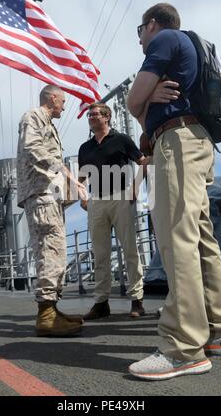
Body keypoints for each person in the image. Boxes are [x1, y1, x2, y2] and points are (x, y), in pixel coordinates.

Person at [127, 3, 221, 380]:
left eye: (140, 31)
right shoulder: (192, 45)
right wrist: (150, 101)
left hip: (176, 143)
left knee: (178, 236)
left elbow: (132, 101)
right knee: (201, 237)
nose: (141, 39)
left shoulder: (164, 40)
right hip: (199, 142)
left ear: (153, 24)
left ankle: (183, 348)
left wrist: (144, 98)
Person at [16, 84, 87, 337]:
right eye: (64, 101)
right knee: (50, 249)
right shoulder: (34, 116)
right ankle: (46, 314)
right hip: (42, 194)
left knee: (56, 249)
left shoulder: (47, 122)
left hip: (49, 196)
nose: (65, 106)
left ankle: (51, 310)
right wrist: (65, 173)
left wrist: (71, 183)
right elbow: (32, 148)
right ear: (53, 98)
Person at [78, 103, 150, 320]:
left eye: (94, 114)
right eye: (89, 115)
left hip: (120, 197)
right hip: (97, 202)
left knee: (130, 250)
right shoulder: (85, 148)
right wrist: (83, 197)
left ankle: (137, 301)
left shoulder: (122, 140)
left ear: (107, 117)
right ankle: (101, 303)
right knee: (100, 254)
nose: (90, 117)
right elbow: (81, 179)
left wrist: (136, 187)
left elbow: (143, 162)